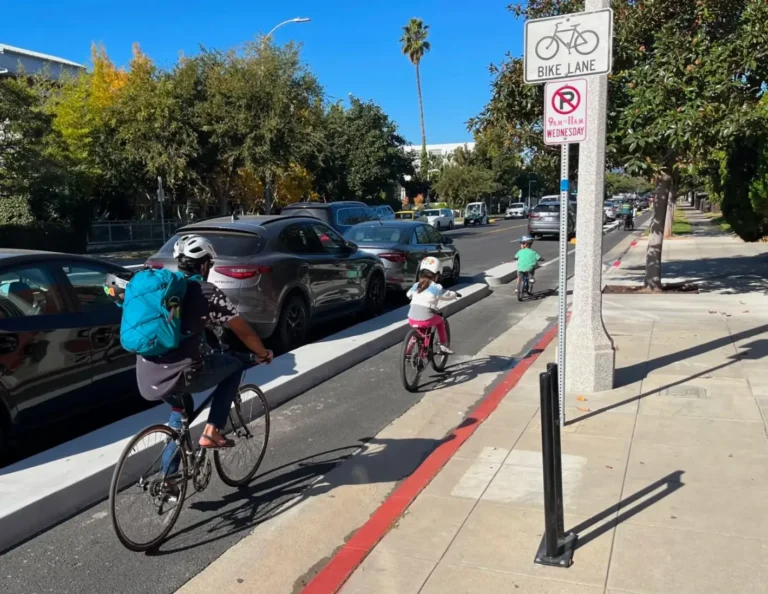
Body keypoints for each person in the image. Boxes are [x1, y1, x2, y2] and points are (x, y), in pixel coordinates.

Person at [105, 234, 273, 453]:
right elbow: (243, 331)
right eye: (209, 264)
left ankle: (169, 472)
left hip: (148, 376)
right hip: (185, 374)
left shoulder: (162, 292)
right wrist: (263, 353)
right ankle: (212, 431)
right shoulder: (207, 293)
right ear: (204, 265)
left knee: (180, 413)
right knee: (235, 367)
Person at [406, 257, 458, 355]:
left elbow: (408, 294)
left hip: (411, 318)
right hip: (427, 318)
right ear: (437, 275)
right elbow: (447, 295)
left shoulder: (416, 285)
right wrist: (455, 294)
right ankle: (443, 345)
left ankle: (408, 349)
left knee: (418, 330)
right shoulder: (436, 287)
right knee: (440, 321)